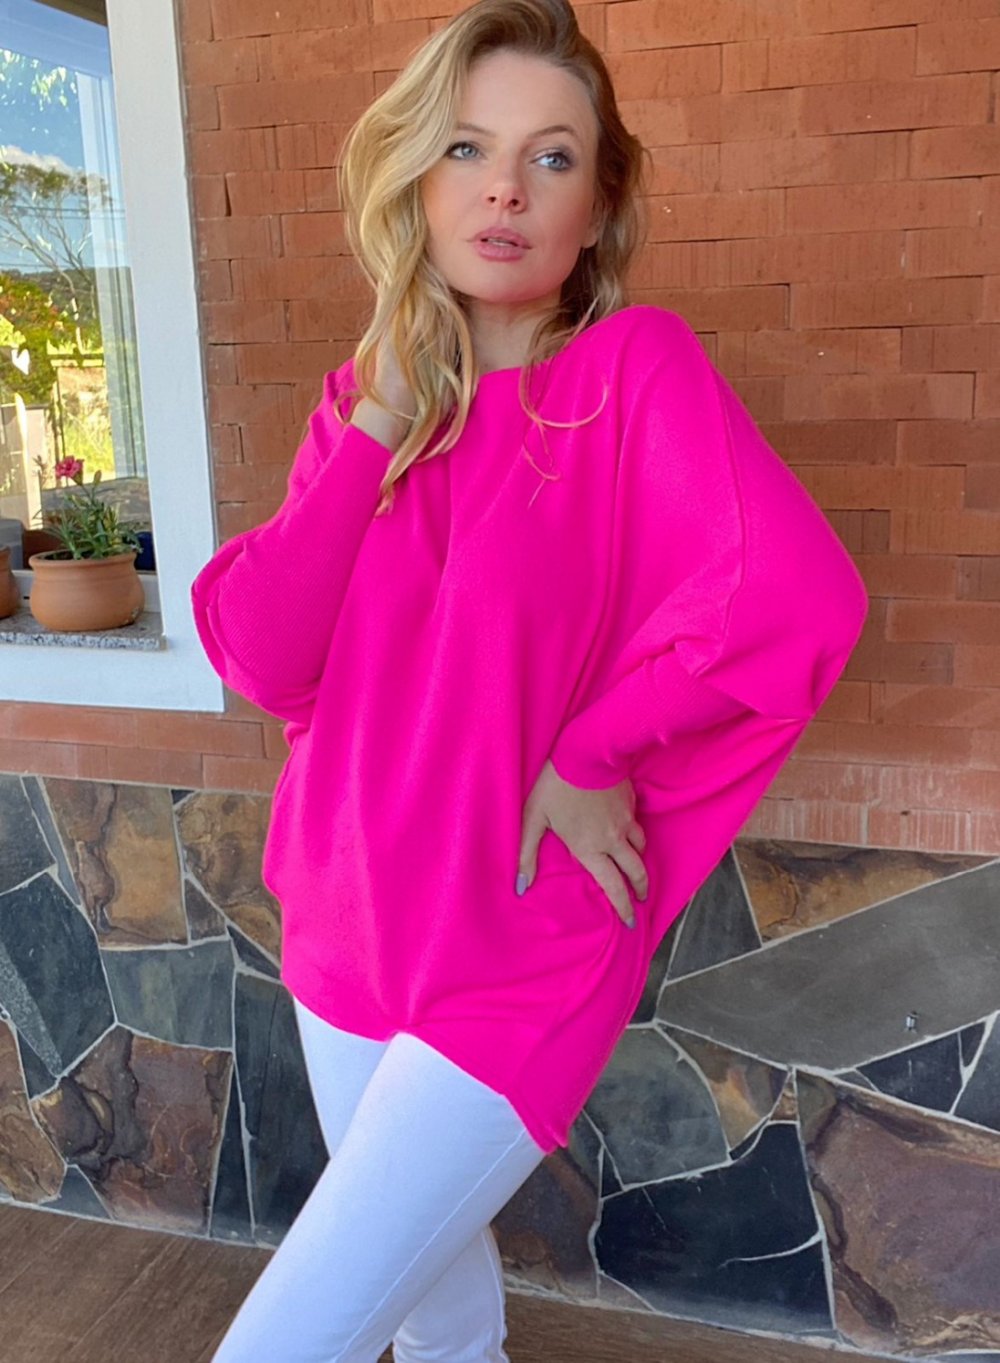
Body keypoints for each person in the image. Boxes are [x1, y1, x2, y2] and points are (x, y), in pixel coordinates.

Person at [190, 0, 870, 1358]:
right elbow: (265, 657)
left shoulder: (632, 374)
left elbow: (797, 597)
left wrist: (594, 749)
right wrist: (383, 414)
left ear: (598, 202)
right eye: (466, 147)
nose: (504, 187)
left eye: (551, 156)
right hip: (343, 916)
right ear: (416, 177)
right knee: (437, 1330)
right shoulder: (366, 400)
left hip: (517, 944)